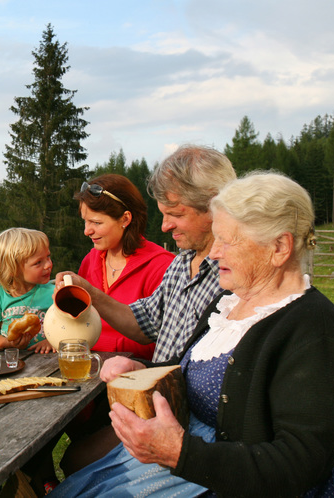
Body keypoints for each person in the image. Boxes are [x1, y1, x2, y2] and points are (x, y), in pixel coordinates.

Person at [51, 172, 334, 497]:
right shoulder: (227, 303)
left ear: (279, 247)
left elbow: (302, 464)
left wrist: (180, 453)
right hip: (185, 461)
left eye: (228, 240)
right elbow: (185, 371)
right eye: (215, 238)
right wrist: (145, 373)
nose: (214, 253)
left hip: (219, 478)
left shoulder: (312, 327)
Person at [56, 145, 236, 476]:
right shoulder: (181, 263)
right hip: (147, 402)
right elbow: (142, 323)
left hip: (182, 423)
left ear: (216, 207)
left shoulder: (235, 275)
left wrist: (136, 364)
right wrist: (90, 291)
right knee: (71, 460)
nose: (164, 226)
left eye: (176, 214)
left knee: (75, 464)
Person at [73, 174, 174, 359]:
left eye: (96, 222)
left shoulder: (161, 266)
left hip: (136, 374)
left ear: (125, 219)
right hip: (88, 371)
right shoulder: (90, 260)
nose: (87, 231)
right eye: (85, 221)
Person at [0, 228, 55, 353]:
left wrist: (52, 341)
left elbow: (68, 328)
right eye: (38, 262)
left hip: (46, 362)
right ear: (13, 269)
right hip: (11, 361)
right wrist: (8, 343)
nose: (48, 265)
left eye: (48, 257)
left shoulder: (54, 293)